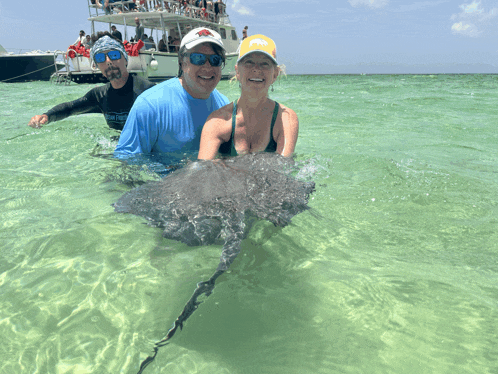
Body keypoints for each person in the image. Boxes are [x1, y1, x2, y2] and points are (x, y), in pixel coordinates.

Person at [115, 27, 229, 155]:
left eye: (215, 60)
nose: (208, 66)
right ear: (182, 62)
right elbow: (127, 164)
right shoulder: (149, 106)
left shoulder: (224, 106)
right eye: (198, 58)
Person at [198, 34, 298, 160]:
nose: (256, 69)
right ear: (237, 72)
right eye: (249, 62)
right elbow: (202, 171)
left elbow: (283, 168)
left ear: (275, 74)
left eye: (265, 64)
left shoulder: (285, 119)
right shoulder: (216, 122)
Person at [28, 33, 155, 131]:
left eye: (114, 55)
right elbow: (70, 108)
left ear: (125, 59)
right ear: (97, 66)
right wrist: (46, 116)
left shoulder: (147, 90)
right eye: (100, 58)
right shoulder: (100, 95)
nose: (108, 61)